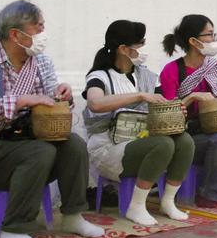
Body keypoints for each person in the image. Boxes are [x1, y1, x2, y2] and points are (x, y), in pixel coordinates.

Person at [0, 0, 104, 238]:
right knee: (42, 151)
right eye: (38, 28)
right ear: (16, 34)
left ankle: (72, 216)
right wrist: (23, 100)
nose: (43, 34)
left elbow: (49, 108)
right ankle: (14, 226)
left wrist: (62, 97)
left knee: (74, 144)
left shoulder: (42, 62)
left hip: (32, 140)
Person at [83, 20, 194, 225]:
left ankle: (168, 201)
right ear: (123, 49)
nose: (143, 49)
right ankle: (136, 206)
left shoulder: (147, 75)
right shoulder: (100, 76)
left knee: (184, 141)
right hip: (108, 147)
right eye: (139, 44)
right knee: (163, 144)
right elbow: (95, 103)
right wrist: (139, 96)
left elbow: (164, 104)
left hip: (142, 140)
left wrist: (178, 108)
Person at [159, 15, 217, 208]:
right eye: (209, 35)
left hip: (211, 127)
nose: (214, 39)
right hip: (186, 136)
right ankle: (209, 193)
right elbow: (167, 116)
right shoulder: (172, 70)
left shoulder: (215, 66)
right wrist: (193, 97)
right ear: (193, 41)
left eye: (213, 34)